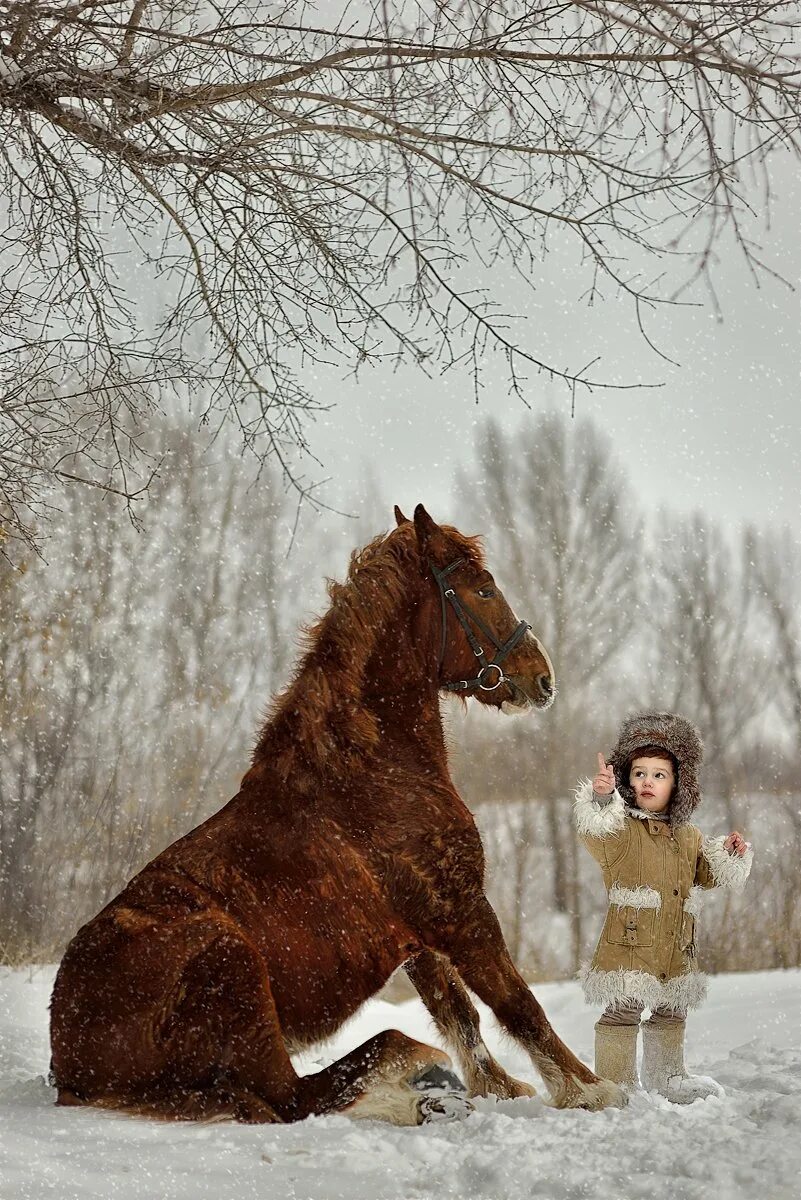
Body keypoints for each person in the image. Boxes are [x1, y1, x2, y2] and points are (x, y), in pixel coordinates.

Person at [573, 711, 752, 1104]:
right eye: (639, 774)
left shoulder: (688, 835)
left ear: (678, 784)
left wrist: (729, 854)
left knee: (672, 1011)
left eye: (659, 774)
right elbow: (594, 828)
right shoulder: (620, 831)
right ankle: (617, 1083)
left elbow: (707, 874)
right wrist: (602, 798)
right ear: (627, 779)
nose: (648, 782)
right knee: (623, 1011)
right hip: (631, 942)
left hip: (675, 942)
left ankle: (667, 1077)